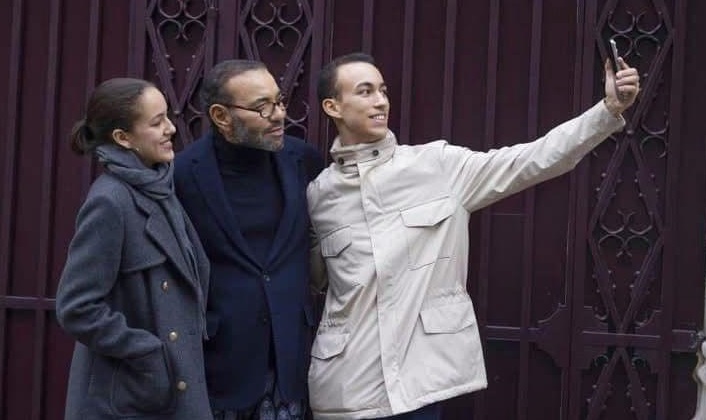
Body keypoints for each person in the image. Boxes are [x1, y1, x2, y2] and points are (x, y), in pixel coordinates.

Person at [306, 52, 640, 419]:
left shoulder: (437, 166)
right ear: (333, 107)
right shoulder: (320, 194)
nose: (381, 101)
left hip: (419, 386)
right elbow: (309, 279)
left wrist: (607, 110)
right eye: (365, 91)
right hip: (345, 389)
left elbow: (533, 159)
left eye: (383, 91)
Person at [174, 60, 325, 419]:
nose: (279, 115)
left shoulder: (303, 160)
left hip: (290, 361)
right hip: (220, 364)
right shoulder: (181, 174)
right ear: (221, 116)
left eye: (279, 101)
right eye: (262, 107)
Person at [55, 78, 212, 419]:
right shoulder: (111, 201)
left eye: (167, 116)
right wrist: (147, 353)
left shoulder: (158, 185)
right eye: (156, 123)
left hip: (176, 385)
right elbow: (76, 307)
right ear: (123, 138)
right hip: (134, 397)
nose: (171, 128)